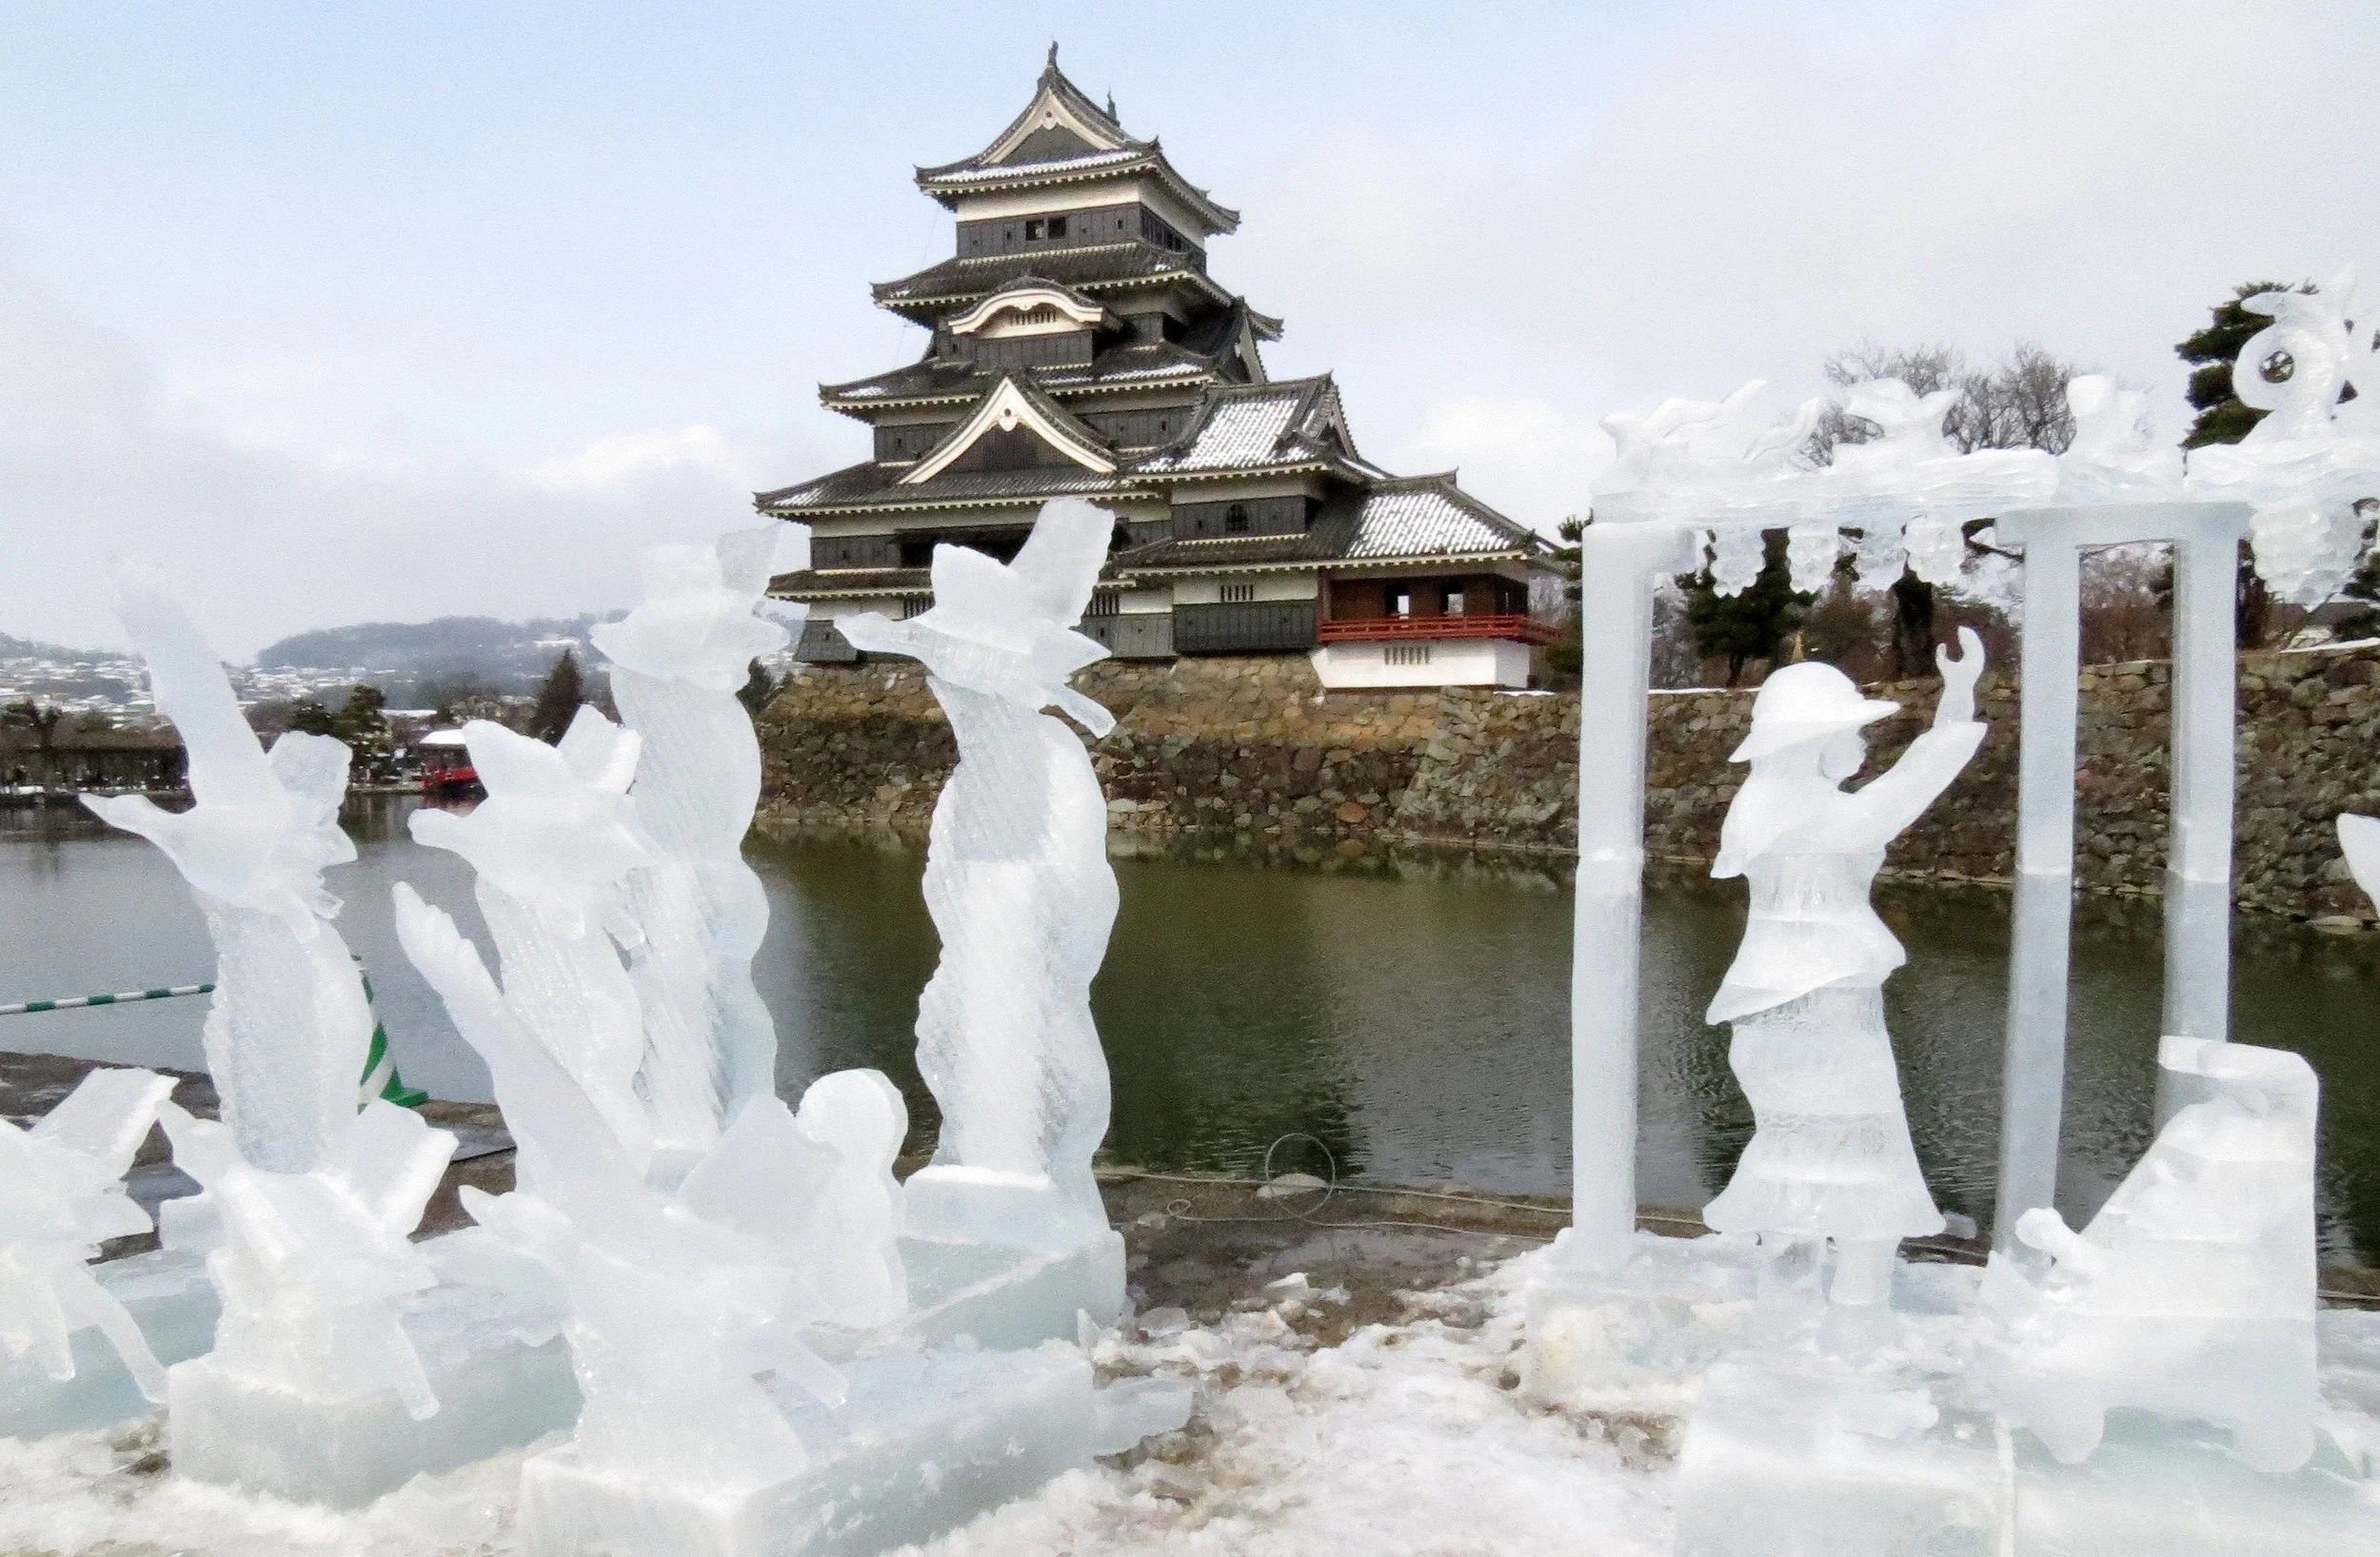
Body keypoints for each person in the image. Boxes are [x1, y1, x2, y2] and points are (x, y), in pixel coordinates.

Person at [1700, 627, 1988, 1306]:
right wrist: (1957, 708)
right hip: (1823, 1012)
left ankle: (1786, 1309)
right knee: (1866, 1171)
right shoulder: (1803, 808)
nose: (1861, 745)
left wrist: (1957, 705)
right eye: (1850, 730)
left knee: (1796, 1169)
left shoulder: (1761, 804)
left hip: (1779, 1010)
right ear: (1813, 738)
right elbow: (1899, 799)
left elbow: (1881, 804)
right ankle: (1855, 1320)